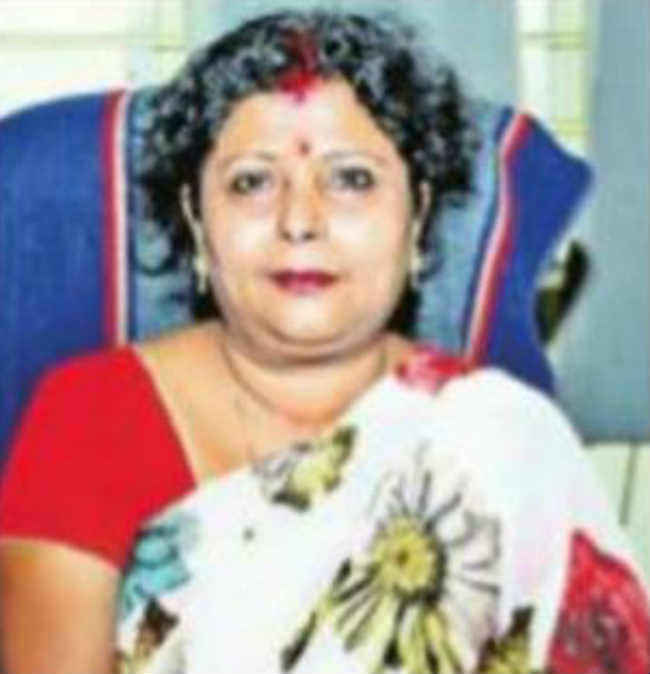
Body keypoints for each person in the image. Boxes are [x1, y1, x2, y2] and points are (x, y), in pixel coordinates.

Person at [0, 10, 648, 674]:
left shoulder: (498, 438)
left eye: (352, 179)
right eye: (252, 182)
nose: (300, 220)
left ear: (418, 214)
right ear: (196, 218)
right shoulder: (89, 420)